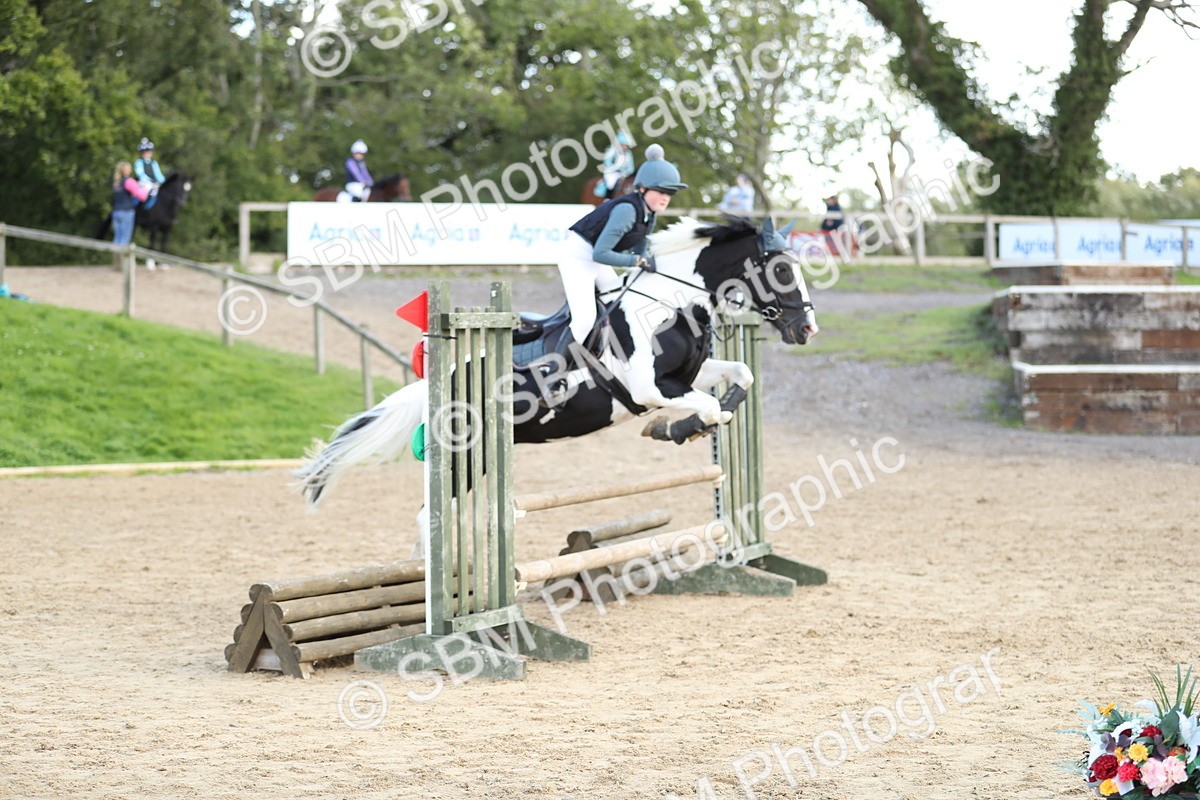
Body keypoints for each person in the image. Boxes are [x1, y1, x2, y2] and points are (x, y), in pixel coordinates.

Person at [559, 143, 687, 346]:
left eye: (669, 193)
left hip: (595, 259)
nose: (665, 197)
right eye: (660, 191)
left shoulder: (649, 214)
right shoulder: (627, 210)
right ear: (642, 188)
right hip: (578, 256)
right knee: (585, 321)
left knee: (619, 308)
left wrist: (654, 265)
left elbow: (640, 252)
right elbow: (601, 254)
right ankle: (557, 364)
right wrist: (638, 261)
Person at [112, 160, 149, 245]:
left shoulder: (116, 182)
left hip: (116, 212)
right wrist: (144, 188)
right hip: (126, 212)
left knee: (117, 238)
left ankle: (114, 254)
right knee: (124, 239)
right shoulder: (129, 181)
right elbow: (142, 197)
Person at [596, 131, 636, 197]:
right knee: (611, 183)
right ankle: (608, 198)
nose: (625, 147)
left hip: (624, 174)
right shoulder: (612, 151)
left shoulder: (628, 153)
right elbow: (607, 163)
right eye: (624, 145)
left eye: (626, 145)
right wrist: (618, 169)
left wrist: (628, 171)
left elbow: (631, 166)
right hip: (612, 173)